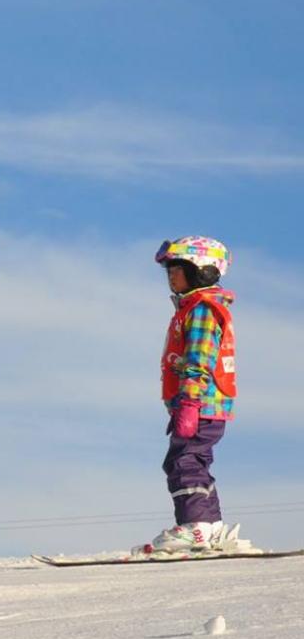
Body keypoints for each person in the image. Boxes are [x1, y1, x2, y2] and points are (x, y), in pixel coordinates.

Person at [143, 236, 242, 555]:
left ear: (203, 272)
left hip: (199, 403)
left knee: (184, 461)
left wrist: (189, 403)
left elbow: (200, 357)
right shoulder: (193, 308)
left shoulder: (201, 309)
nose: (171, 276)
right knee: (191, 460)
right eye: (169, 270)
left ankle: (195, 526)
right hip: (199, 403)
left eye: (178, 268)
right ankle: (208, 526)